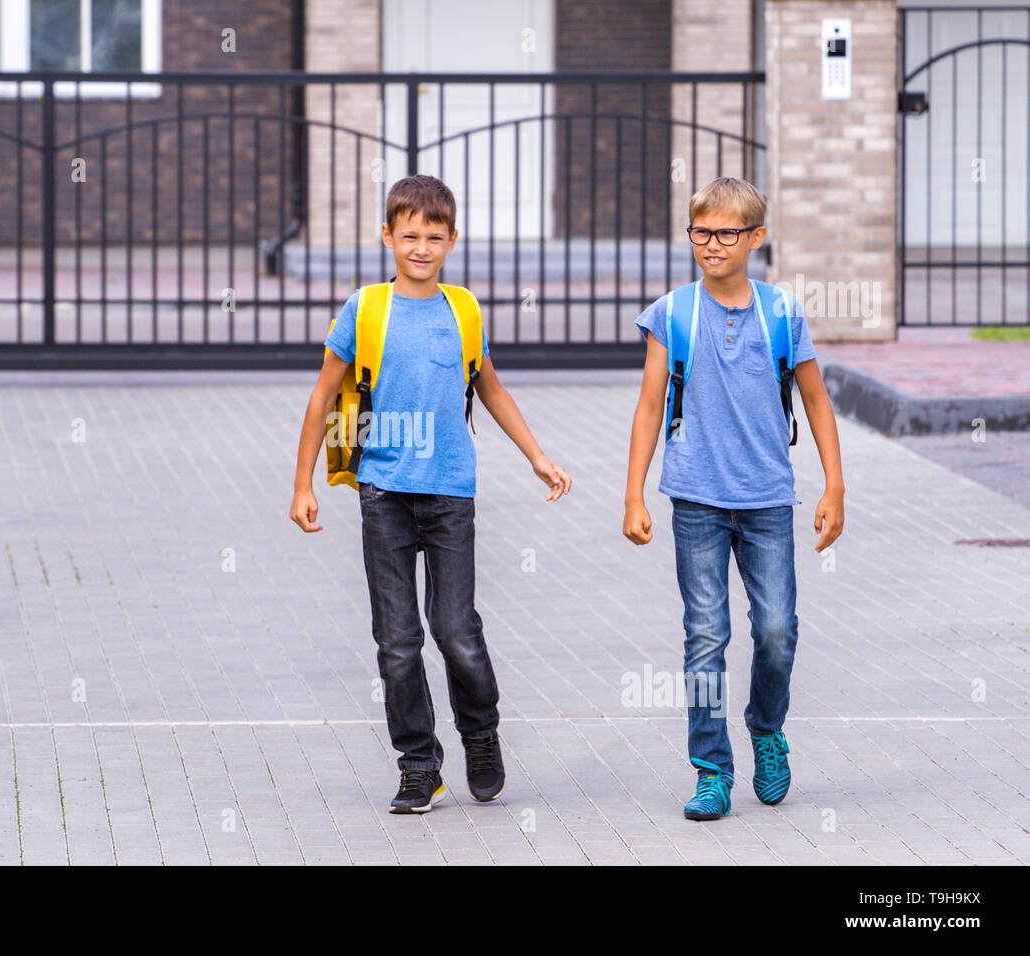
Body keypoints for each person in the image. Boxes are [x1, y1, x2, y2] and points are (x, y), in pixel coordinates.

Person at [290, 174, 571, 813]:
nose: (421, 247)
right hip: (383, 493)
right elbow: (322, 397)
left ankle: (480, 733)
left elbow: (490, 387)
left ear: (451, 241)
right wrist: (302, 483)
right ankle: (419, 765)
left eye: (434, 237)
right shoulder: (365, 309)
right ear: (387, 235)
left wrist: (537, 455)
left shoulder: (463, 310)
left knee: (455, 631)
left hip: (449, 494)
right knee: (396, 642)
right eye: (409, 235)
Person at [622, 176, 845, 821]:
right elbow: (648, 406)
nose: (711, 244)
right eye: (700, 232)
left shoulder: (782, 312)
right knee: (705, 636)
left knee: (777, 631)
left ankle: (766, 728)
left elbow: (816, 400)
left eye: (726, 233)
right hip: (694, 498)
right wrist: (633, 494)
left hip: (768, 499)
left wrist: (834, 484)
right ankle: (711, 769)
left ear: (755, 237)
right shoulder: (674, 311)